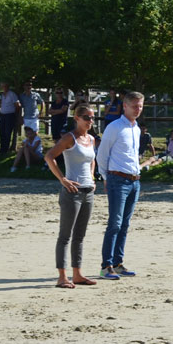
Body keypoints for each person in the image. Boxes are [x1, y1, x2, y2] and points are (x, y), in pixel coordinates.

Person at [45, 104, 99, 289]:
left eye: (92, 117)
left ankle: (77, 274)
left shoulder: (91, 139)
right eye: (86, 117)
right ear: (76, 118)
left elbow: (92, 160)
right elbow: (49, 156)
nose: (90, 121)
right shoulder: (69, 138)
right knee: (65, 236)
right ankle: (62, 276)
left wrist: (92, 177)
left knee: (80, 236)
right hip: (72, 193)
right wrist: (63, 179)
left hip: (88, 191)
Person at [94, 91, 144, 280]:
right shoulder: (114, 127)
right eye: (134, 106)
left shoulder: (136, 128)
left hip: (134, 180)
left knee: (124, 224)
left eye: (140, 106)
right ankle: (106, 265)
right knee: (114, 223)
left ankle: (117, 262)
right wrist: (105, 177)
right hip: (118, 179)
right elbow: (102, 154)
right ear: (125, 106)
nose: (138, 110)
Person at [0, 82, 20, 154]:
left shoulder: (12, 94)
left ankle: (6, 149)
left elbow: (17, 105)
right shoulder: (2, 95)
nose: (4, 88)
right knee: (2, 131)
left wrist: (15, 114)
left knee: (7, 132)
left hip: (10, 115)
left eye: (5, 86)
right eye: (2, 86)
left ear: (8, 86)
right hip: (3, 115)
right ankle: (2, 148)